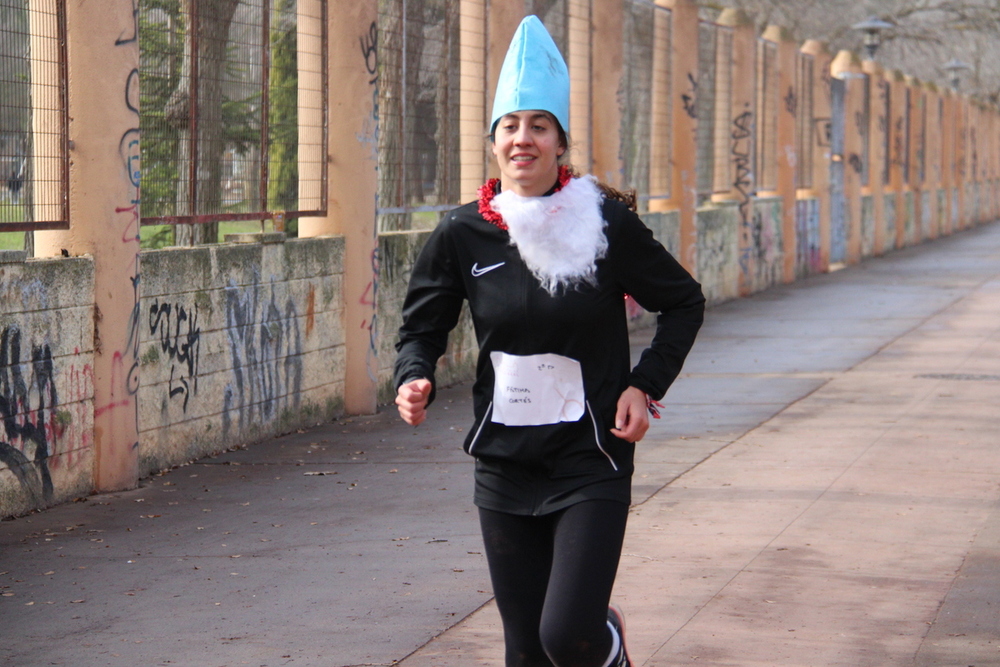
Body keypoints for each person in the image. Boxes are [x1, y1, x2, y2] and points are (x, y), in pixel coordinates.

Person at [394, 16, 704, 667]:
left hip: (590, 458)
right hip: (505, 464)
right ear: (494, 142)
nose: (523, 138)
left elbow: (683, 301)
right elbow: (423, 322)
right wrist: (413, 372)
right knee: (526, 652)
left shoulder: (603, 221)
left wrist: (644, 384)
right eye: (510, 125)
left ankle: (607, 646)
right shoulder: (462, 234)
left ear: (560, 142)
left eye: (539, 125)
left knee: (568, 635)